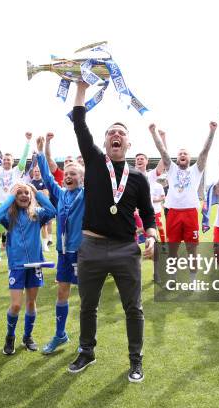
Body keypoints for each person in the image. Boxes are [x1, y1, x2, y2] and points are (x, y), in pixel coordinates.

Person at [68, 82, 156, 383]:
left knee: (134, 307)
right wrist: (80, 87)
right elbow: (79, 122)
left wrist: (153, 235)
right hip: (91, 247)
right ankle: (87, 351)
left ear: (128, 144)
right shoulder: (93, 161)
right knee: (87, 305)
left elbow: (148, 213)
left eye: (121, 133)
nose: (115, 135)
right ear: (105, 142)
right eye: (110, 133)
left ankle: (136, 360)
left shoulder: (139, 179)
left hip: (125, 250)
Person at [34, 135, 85, 354]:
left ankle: (86, 340)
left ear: (82, 179)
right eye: (67, 174)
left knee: (86, 298)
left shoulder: (86, 194)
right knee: (62, 293)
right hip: (63, 253)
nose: (69, 177)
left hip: (83, 253)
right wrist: (41, 150)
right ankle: (60, 334)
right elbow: (46, 176)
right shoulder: (61, 193)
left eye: (74, 174)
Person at [0, 182, 56, 355]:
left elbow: (52, 211)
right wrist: (10, 196)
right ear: (15, 197)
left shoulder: (37, 214)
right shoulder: (9, 216)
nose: (23, 196)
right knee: (15, 305)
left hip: (35, 265)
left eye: (26, 193)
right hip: (17, 266)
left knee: (31, 302)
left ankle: (27, 336)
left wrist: (37, 193)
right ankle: (10, 336)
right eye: (19, 193)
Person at [150, 121, 216, 280]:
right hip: (173, 213)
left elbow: (205, 151)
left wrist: (212, 131)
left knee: (192, 249)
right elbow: (162, 150)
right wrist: (153, 132)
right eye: (180, 153)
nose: (182, 155)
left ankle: (193, 280)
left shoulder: (196, 170)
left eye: (185, 153)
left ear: (189, 157)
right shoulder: (170, 168)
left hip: (190, 213)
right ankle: (172, 277)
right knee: (173, 249)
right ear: (177, 158)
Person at [0, 132, 32, 268]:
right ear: (1, 160)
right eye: (4, 159)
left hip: (13, 205)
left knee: (14, 234)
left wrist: (27, 141)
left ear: (12, 161)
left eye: (8, 159)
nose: (6, 161)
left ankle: (14, 258)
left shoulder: (17, 171)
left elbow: (24, 158)